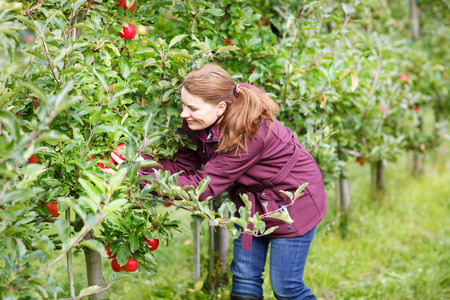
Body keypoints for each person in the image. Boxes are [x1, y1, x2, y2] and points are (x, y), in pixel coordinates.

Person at [135, 64, 327, 299]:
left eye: (192, 107)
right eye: (183, 104)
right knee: (244, 283)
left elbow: (201, 189)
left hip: (294, 200)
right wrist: (137, 163)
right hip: (251, 201)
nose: (184, 114)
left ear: (221, 108)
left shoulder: (250, 133)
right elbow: (184, 167)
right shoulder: (198, 121)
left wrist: (138, 174)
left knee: (286, 288)